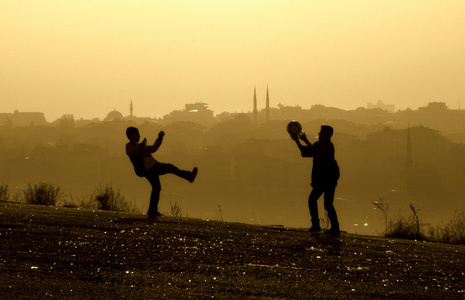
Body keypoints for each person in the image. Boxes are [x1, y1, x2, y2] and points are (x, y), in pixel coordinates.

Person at [125, 126, 198, 218]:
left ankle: (152, 211)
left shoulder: (143, 147)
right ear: (130, 136)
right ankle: (188, 176)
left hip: (153, 167)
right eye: (136, 134)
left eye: (138, 133)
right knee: (168, 170)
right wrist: (141, 145)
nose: (139, 135)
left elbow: (154, 148)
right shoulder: (129, 146)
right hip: (148, 169)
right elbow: (132, 152)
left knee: (157, 187)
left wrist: (159, 138)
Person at [290, 125, 340, 235]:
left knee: (313, 199)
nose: (319, 133)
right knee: (328, 204)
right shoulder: (328, 145)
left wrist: (296, 140)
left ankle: (316, 225)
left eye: (321, 132)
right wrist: (305, 140)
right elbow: (314, 151)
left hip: (323, 178)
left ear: (325, 134)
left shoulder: (321, 145)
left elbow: (306, 152)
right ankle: (335, 227)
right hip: (331, 177)